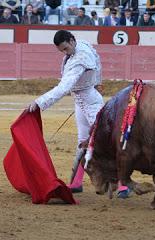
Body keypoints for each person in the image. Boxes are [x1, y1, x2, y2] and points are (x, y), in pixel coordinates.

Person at [27, 30, 104, 193]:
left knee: (105, 141)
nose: (64, 52)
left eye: (65, 49)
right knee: (82, 141)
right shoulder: (81, 45)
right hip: (82, 100)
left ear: (71, 40)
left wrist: (39, 102)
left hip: (91, 102)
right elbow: (97, 58)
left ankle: (122, 183)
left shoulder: (80, 59)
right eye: (61, 50)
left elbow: (64, 88)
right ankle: (76, 183)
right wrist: (97, 81)